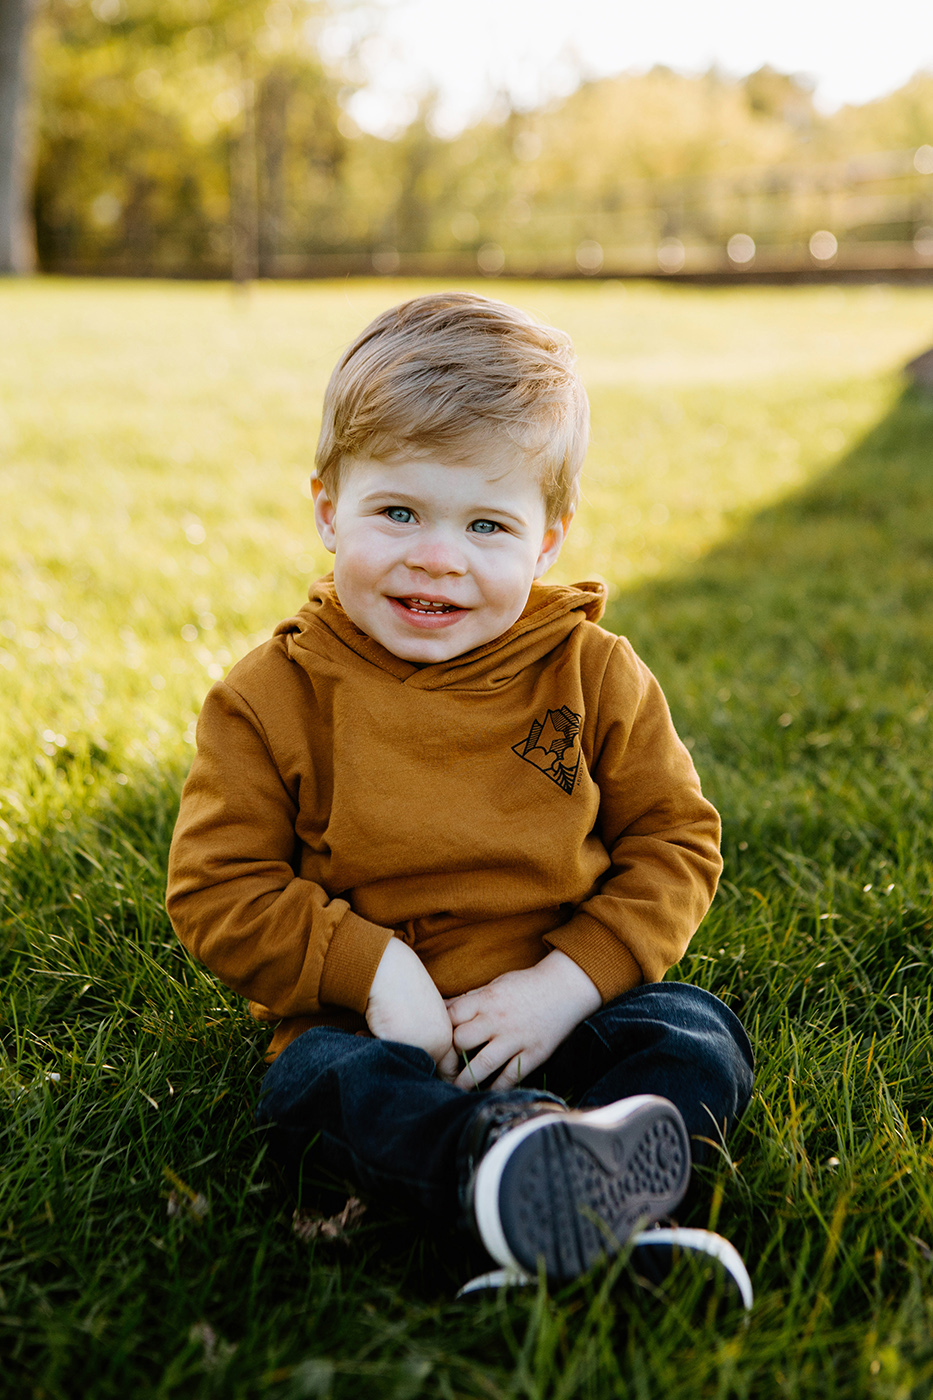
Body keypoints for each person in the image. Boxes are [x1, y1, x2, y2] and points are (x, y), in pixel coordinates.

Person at [166, 292, 754, 1295]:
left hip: (559, 1010)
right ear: (325, 508)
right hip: (375, 1030)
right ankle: (499, 1172)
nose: (437, 554)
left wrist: (569, 981)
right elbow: (217, 889)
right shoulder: (271, 698)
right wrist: (373, 968)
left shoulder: (593, 673)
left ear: (548, 540)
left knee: (694, 1031)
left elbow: (675, 840)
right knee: (315, 1085)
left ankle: (582, 1184)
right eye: (398, 511)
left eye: (487, 523)